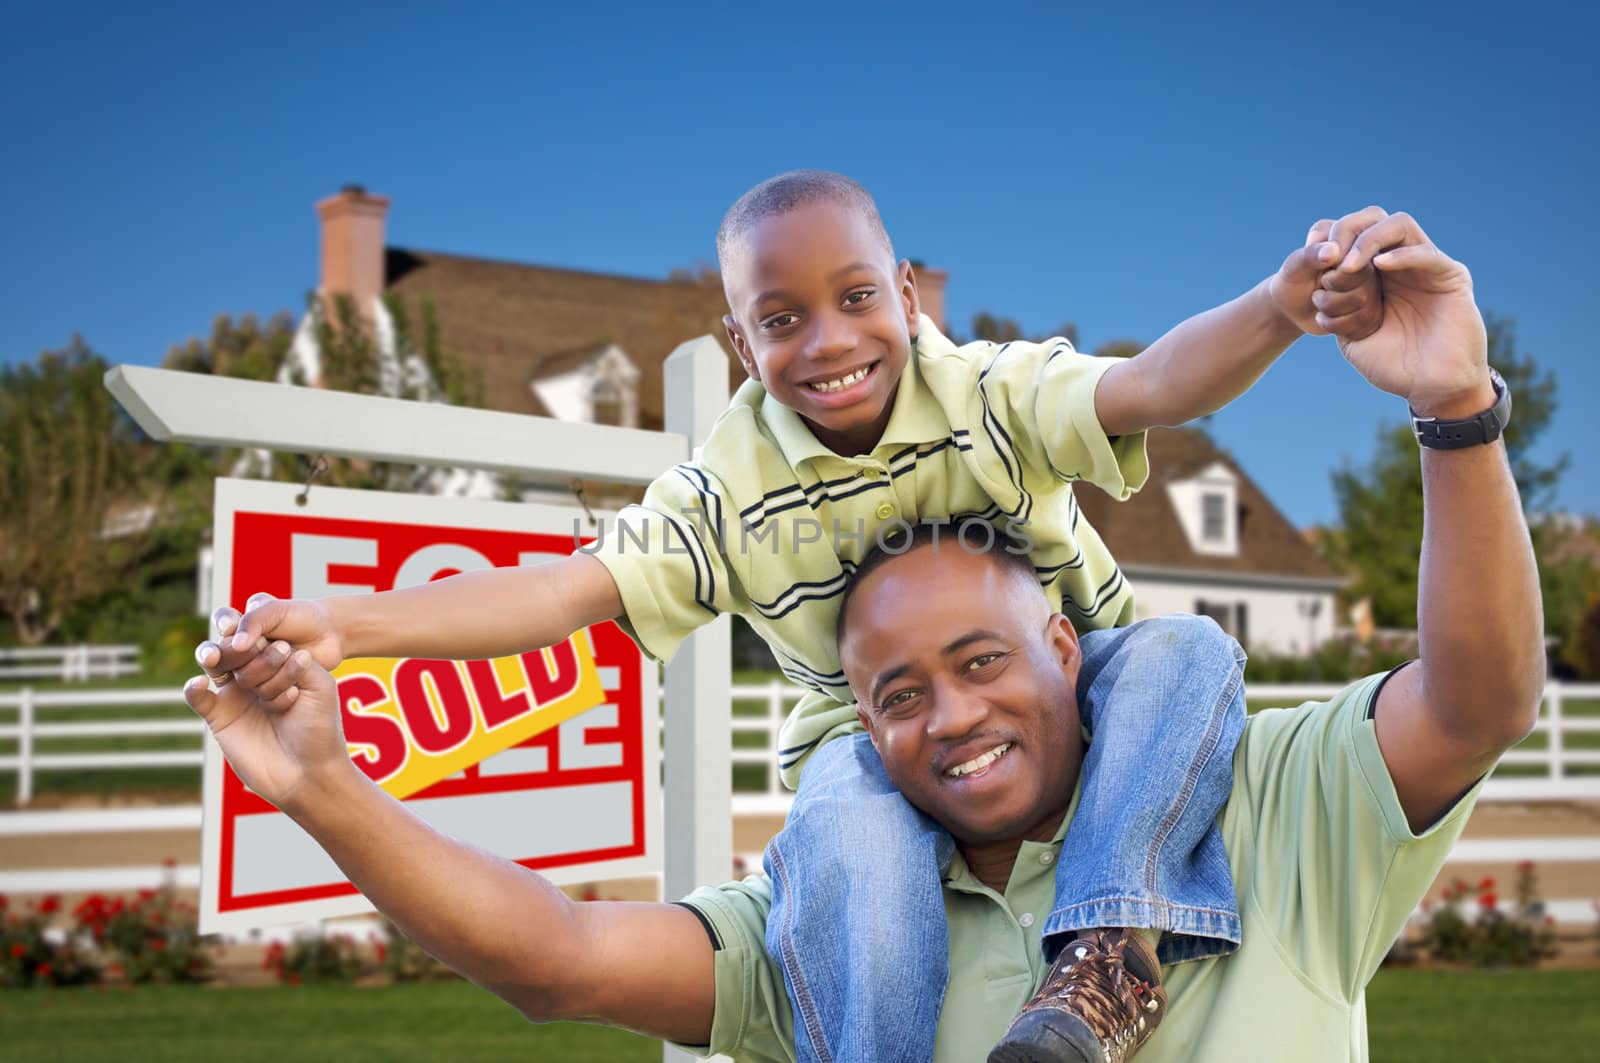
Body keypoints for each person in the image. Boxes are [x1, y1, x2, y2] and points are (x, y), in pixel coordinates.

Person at [188, 205, 1540, 1061]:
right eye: (780, 319)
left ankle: (1111, 947)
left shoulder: (1265, 805)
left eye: (981, 664)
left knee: (1191, 654)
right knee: (837, 824)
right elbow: (559, 611)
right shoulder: (736, 501)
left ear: (906, 291)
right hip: (846, 770)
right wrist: (346, 654)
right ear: (739, 336)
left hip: (1132, 697)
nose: (827, 341)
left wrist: (1294, 313)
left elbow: (1153, 383)